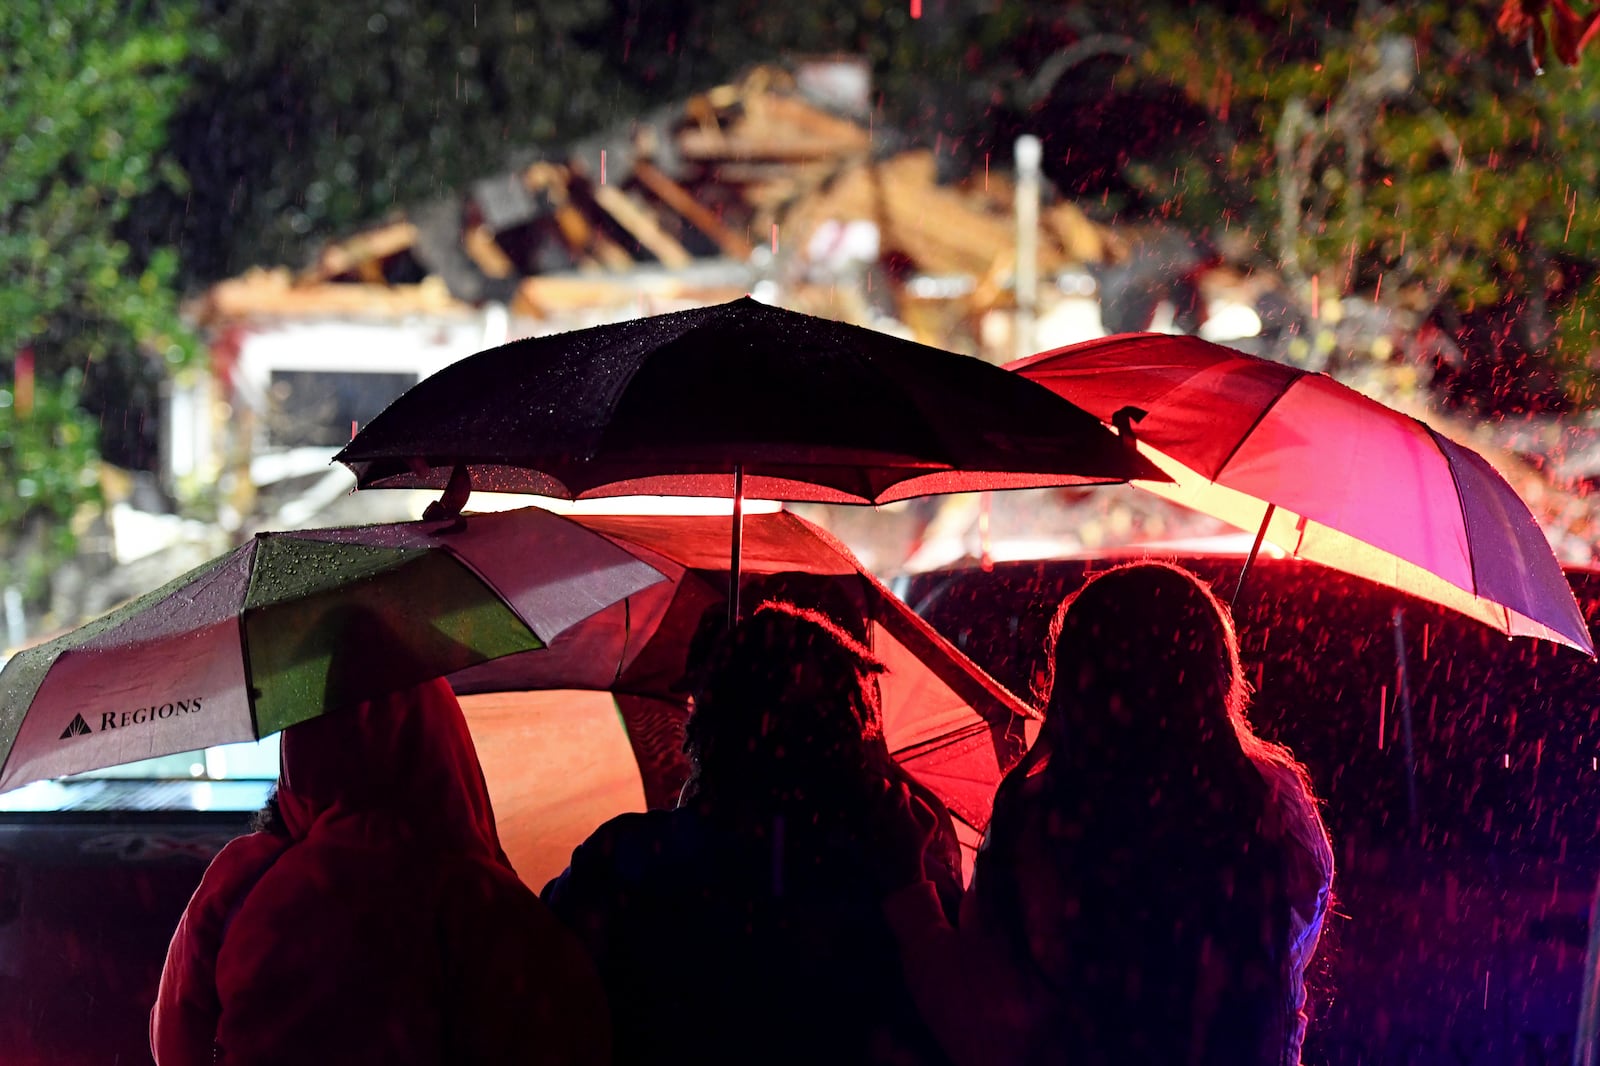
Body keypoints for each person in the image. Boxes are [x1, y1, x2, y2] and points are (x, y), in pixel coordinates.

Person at [880, 561, 1334, 1066]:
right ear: (1219, 670)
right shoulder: (1275, 810)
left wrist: (910, 891)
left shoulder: (1049, 829)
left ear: (1076, 678)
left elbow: (985, 1033)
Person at [543, 600, 955, 1066]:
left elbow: (540, 976)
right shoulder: (898, 887)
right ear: (850, 737)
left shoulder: (623, 858)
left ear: (709, 725)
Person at [150, 675, 610, 1066]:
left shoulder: (245, 883)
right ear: (443, 742)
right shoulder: (493, 903)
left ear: (303, 749)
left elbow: (175, 1043)